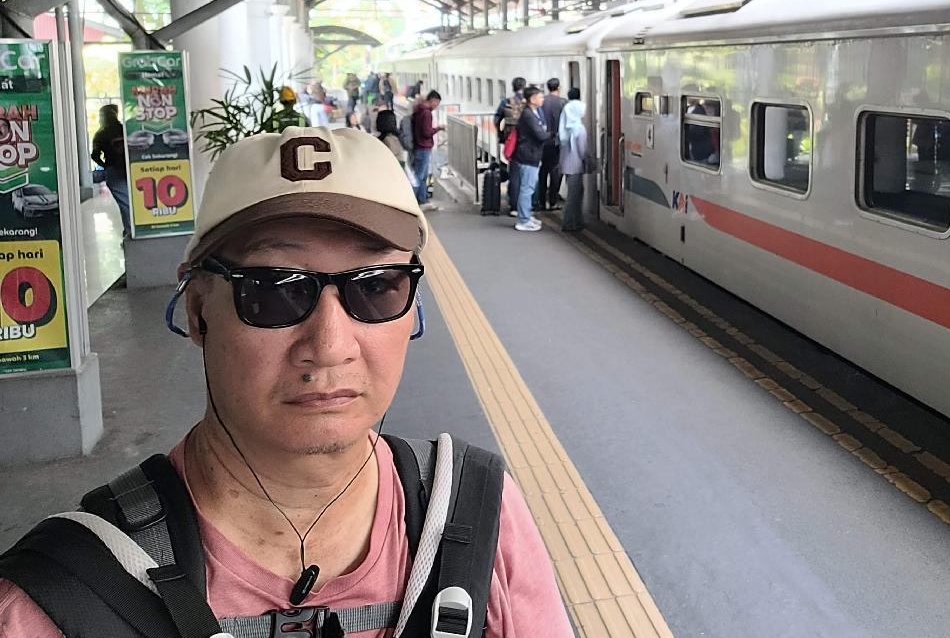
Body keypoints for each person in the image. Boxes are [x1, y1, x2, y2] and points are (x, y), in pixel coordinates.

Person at [0, 126, 573, 637]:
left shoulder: (481, 517)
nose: (329, 345)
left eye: (376, 286)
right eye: (274, 289)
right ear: (198, 312)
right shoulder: (60, 596)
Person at [513, 85, 549, 233]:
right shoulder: (529, 115)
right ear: (533, 99)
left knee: (528, 187)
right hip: (528, 155)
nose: (542, 99)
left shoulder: (533, 112)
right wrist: (553, 136)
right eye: (540, 97)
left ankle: (525, 215)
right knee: (527, 189)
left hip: (530, 154)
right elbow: (540, 134)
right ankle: (523, 220)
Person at [90, 104, 130, 233]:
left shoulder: (101, 134)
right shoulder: (126, 129)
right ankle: (132, 230)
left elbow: (95, 155)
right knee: (133, 203)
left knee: (125, 204)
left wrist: (106, 166)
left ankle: (130, 231)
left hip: (114, 171)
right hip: (130, 170)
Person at [557, 88, 589, 232]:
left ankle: (577, 221)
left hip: (566, 165)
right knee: (574, 196)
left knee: (575, 193)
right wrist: (590, 161)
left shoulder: (566, 128)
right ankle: (568, 222)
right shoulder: (579, 129)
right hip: (575, 166)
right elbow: (582, 151)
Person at [496, 78, 526, 217]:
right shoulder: (529, 102)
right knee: (528, 176)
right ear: (524, 87)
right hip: (527, 143)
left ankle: (513, 205)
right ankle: (527, 206)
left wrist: (501, 135)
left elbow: (497, 119)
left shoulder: (506, 102)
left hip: (511, 142)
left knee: (514, 175)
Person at [535, 78, 564, 212]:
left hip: (542, 142)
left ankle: (541, 202)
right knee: (555, 172)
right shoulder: (563, 103)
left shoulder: (541, 102)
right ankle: (552, 201)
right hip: (556, 142)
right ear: (558, 88)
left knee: (542, 171)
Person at [412, 89, 441, 210]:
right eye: (437, 103)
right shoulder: (427, 113)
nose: (436, 106)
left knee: (422, 175)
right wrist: (438, 128)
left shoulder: (419, 110)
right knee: (419, 175)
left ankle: (422, 200)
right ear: (433, 100)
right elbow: (427, 132)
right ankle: (413, 200)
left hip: (419, 146)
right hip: (423, 147)